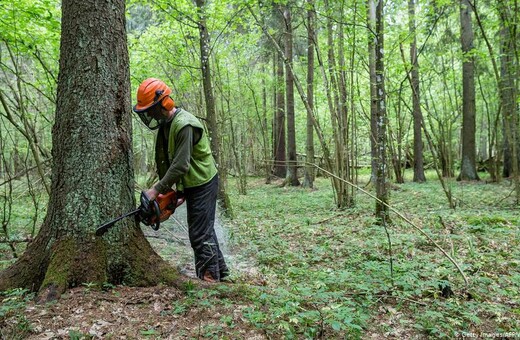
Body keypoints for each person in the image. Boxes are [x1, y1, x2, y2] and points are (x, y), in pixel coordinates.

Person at [133, 78, 229, 283]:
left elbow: (181, 164)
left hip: (203, 181)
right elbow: (170, 161)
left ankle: (210, 279)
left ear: (163, 104)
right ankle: (221, 272)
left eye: (151, 109)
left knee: (199, 234)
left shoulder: (184, 124)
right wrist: (177, 192)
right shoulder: (167, 126)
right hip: (192, 182)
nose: (149, 114)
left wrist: (156, 190)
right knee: (204, 230)